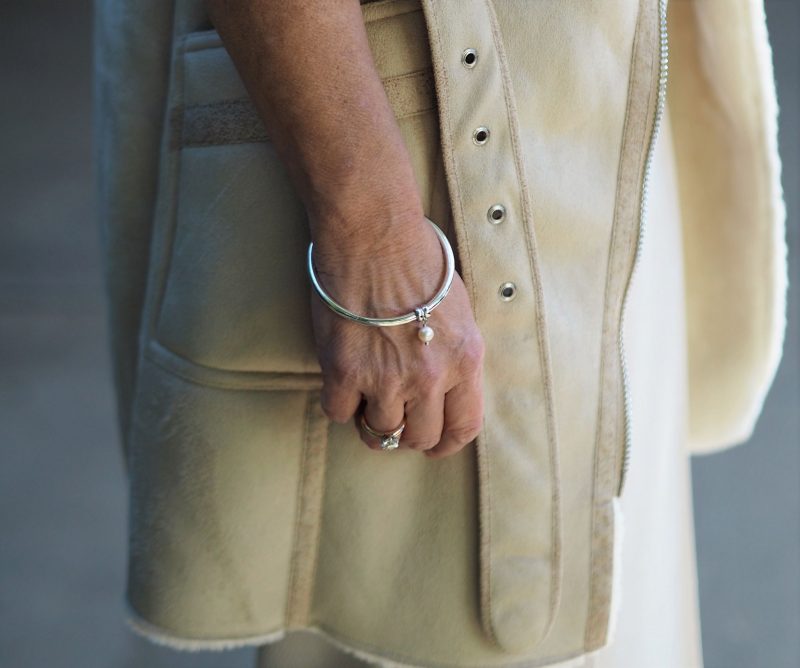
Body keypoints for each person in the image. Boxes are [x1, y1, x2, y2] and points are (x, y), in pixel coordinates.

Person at [92, 0, 787, 666]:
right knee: (457, 617)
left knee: (603, 585)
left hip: (594, 126)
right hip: (423, 156)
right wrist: (373, 232)